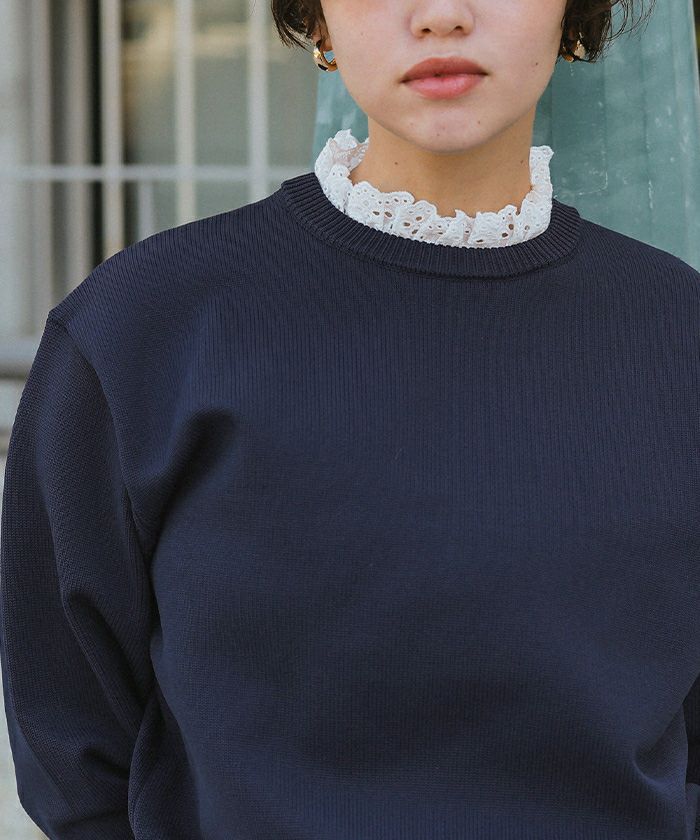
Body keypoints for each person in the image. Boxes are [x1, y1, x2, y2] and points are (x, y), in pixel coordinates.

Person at [5, 0, 700, 838]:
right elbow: (71, 736)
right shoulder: (143, 328)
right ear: (319, 19)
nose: (442, 14)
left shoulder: (679, 336)